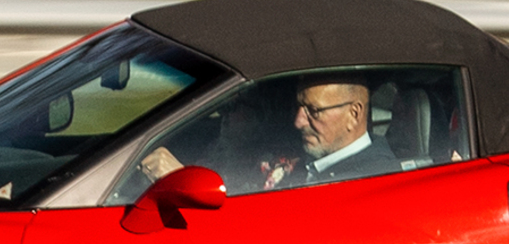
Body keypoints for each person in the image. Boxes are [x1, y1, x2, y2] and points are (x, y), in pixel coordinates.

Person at [138, 76, 398, 190]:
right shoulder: (309, 163)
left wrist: (185, 183)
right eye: (299, 107)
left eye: (313, 111)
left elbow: (275, 237)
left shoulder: (372, 179)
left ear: (354, 114)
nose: (298, 121)